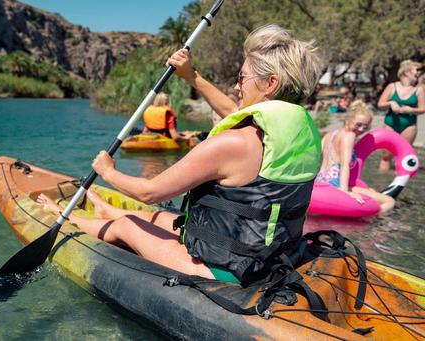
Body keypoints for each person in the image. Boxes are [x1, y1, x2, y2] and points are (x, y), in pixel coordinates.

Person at [37, 25, 322, 283]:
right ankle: (103, 210)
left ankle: (67, 219)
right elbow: (235, 113)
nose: (237, 86)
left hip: (226, 272)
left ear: (270, 84)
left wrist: (107, 170)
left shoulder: (234, 143)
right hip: (272, 258)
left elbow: (149, 193)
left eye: (242, 77)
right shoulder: (300, 135)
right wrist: (191, 76)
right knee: (161, 219)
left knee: (128, 225)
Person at [317, 100, 395, 215]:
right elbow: (344, 166)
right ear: (348, 119)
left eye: (366, 126)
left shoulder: (329, 135)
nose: (362, 129)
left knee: (371, 191)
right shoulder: (349, 136)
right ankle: (372, 225)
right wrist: (345, 192)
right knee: (389, 201)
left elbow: (321, 159)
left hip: (322, 179)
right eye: (358, 124)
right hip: (336, 184)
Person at [378, 60, 425, 171]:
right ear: (406, 72)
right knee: (386, 156)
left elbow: (423, 109)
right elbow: (380, 104)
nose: (418, 73)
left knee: (404, 155)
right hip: (390, 124)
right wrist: (390, 103)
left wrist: (411, 109)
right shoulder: (392, 87)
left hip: (409, 126)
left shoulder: (419, 90)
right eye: (416, 71)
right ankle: (382, 182)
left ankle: (401, 184)